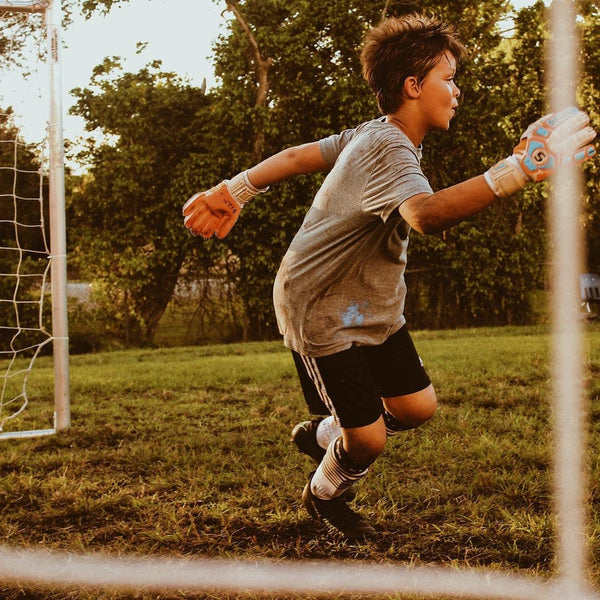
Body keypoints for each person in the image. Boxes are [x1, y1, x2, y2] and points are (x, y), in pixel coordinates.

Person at [183, 13, 596, 540]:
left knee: (417, 407)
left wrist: (234, 190)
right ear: (413, 86)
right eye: (449, 79)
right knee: (370, 440)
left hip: (369, 307)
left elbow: (295, 156)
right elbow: (425, 215)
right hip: (323, 310)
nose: (457, 91)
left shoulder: (374, 134)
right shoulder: (387, 146)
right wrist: (516, 170)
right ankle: (325, 491)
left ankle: (328, 432)